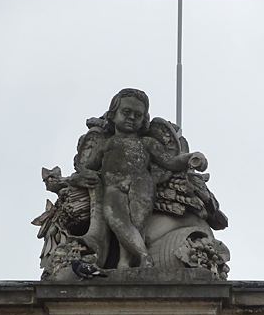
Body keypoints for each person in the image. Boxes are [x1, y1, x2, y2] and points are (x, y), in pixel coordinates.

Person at [75, 88, 207, 268]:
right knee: (117, 220)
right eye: (126, 112)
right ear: (113, 115)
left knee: (137, 224)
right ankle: (144, 256)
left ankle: (125, 262)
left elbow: (171, 162)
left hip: (141, 186)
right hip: (113, 186)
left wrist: (192, 158)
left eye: (137, 115)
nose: (131, 117)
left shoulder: (147, 143)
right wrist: (81, 177)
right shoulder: (107, 144)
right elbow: (86, 168)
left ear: (143, 119)